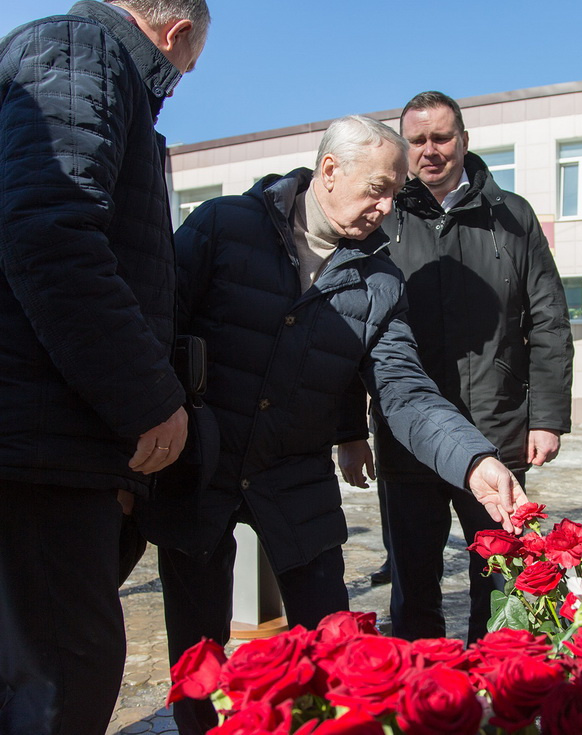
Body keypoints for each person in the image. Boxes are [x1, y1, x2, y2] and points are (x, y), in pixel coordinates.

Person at [157, 115, 527, 735]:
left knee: (331, 656)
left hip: (294, 478)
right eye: (378, 189)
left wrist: (473, 458)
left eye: (394, 193)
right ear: (330, 169)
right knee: (198, 667)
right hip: (201, 469)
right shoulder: (224, 227)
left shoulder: (379, 280)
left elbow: (405, 392)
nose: (388, 207)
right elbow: (156, 324)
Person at [0, 2, 209, 733]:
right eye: (189, 69)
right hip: (39, 444)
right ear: (177, 34)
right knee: (63, 679)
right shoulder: (80, 52)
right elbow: (50, 230)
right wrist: (150, 398)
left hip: (58, 444)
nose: (179, 84)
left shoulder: (82, 62)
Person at [358, 90, 573, 643]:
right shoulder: (382, 218)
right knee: (413, 585)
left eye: (441, 137)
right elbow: (350, 327)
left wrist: (546, 416)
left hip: (497, 431)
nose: (430, 150)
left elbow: (548, 320)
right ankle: (423, 704)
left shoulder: (512, 217)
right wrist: (348, 431)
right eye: (417, 140)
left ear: (464, 140)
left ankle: (496, 703)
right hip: (408, 441)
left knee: (501, 584)